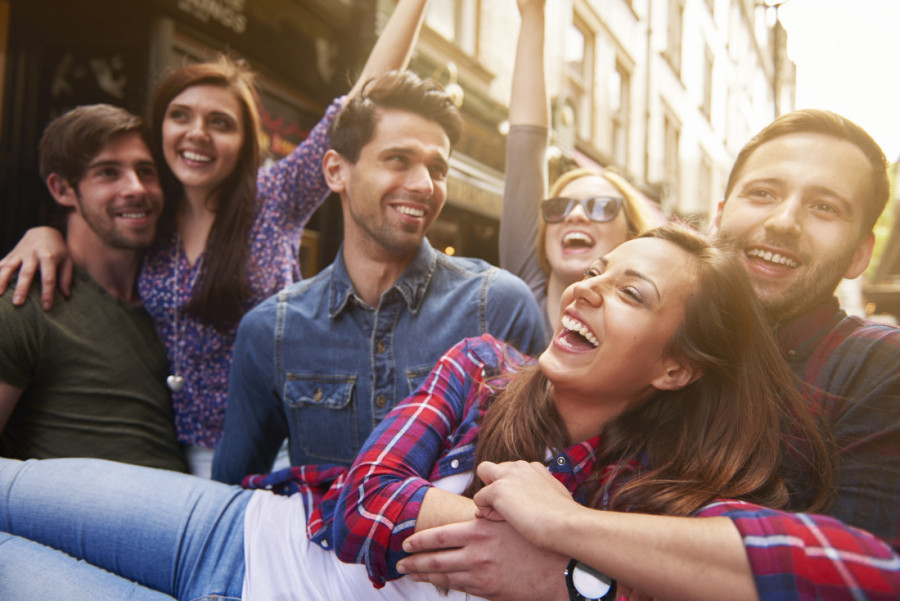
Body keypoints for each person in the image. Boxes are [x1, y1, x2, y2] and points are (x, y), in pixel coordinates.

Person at [2, 224, 869, 601]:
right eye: (598, 270)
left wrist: (576, 553)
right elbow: (363, 503)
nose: (591, 286)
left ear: (678, 367)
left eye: (631, 291)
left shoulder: (660, 499)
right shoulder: (486, 364)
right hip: (236, 529)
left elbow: (859, 575)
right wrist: (540, 527)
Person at [398, 109, 900, 600]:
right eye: (763, 192)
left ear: (860, 253)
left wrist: (569, 564)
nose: (784, 221)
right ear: (721, 216)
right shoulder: (544, 377)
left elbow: (862, 572)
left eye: (825, 207)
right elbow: (360, 501)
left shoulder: (878, 366)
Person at [0, 0, 434, 476]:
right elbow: (91, 232)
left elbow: (360, 102)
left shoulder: (274, 197)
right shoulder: (150, 214)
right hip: (182, 456)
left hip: (284, 445)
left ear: (245, 139)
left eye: (220, 122)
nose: (197, 134)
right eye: (180, 116)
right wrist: (44, 235)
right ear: (160, 128)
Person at [210, 69, 545, 482]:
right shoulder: (271, 331)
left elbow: (543, 472)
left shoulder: (499, 306)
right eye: (398, 160)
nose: (424, 184)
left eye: (437, 168)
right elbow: (232, 491)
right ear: (335, 171)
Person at [0, 104, 187, 472]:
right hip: (67, 525)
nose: (136, 188)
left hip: (192, 518)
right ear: (62, 189)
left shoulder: (169, 302)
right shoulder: (22, 302)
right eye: (108, 173)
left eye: (145, 171)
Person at [499, 0, 660, 343]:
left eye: (600, 206)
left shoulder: (643, 338)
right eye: (558, 207)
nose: (573, 216)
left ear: (632, 238)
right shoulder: (524, 294)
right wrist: (533, 14)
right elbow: (526, 148)